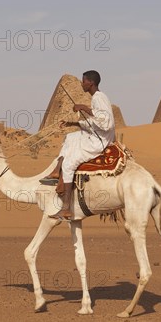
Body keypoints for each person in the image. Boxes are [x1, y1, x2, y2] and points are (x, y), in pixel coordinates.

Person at [40, 70, 116, 220]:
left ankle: (66, 208)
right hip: (96, 135)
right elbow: (94, 123)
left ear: (91, 83)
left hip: (99, 140)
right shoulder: (97, 97)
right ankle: (56, 170)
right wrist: (72, 123)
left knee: (69, 164)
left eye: (84, 81)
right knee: (70, 137)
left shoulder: (98, 98)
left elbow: (106, 122)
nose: (82, 84)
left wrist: (84, 108)